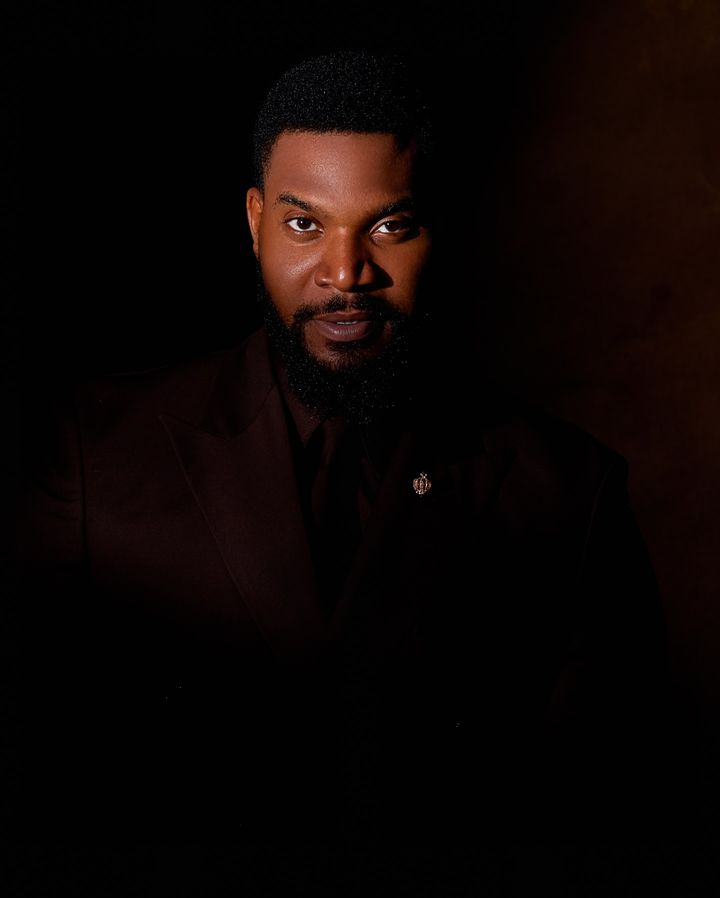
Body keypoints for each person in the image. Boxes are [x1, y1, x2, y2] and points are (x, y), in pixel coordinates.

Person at [12, 49, 670, 848]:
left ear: (435, 228)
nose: (347, 272)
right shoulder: (93, 450)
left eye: (389, 227)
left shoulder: (568, 489)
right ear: (254, 221)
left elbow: (606, 809)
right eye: (305, 224)